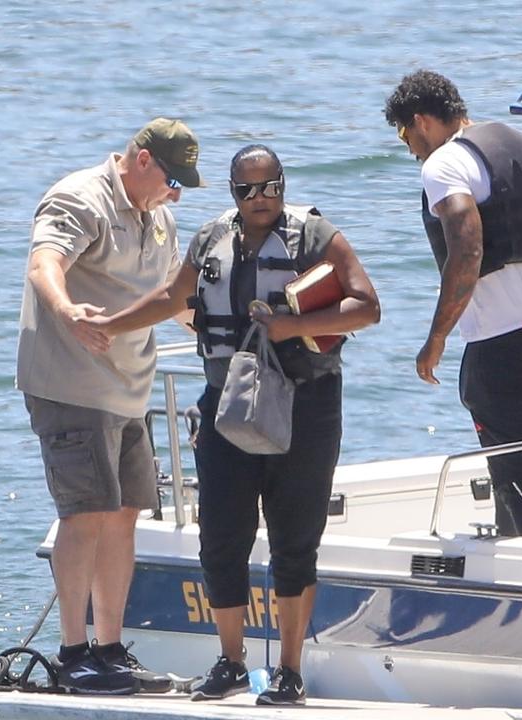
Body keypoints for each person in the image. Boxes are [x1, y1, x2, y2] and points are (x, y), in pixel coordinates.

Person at [89, 145, 380, 706]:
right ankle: (231, 663)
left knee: (296, 541)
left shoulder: (316, 237)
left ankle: (290, 671)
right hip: (227, 404)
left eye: (270, 186)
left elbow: (366, 306)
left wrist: (296, 325)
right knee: (221, 539)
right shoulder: (210, 240)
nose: (260, 199)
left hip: (306, 404)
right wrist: (109, 325)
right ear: (232, 193)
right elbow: (170, 298)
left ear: (283, 184)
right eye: (247, 190)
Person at [16, 117, 204, 694]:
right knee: (85, 513)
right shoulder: (81, 197)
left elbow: (175, 299)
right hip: (72, 384)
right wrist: (68, 310)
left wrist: (229, 335)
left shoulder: (160, 218)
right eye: (172, 179)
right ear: (141, 160)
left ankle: (110, 649)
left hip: (129, 389)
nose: (175, 193)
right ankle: (73, 654)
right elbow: (43, 262)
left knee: (125, 516)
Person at [384, 69, 522, 537]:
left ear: (421, 121)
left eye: (405, 134)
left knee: (517, 474)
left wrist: (436, 337)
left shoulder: (443, 164)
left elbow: (467, 250)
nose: (409, 147)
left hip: (497, 343)